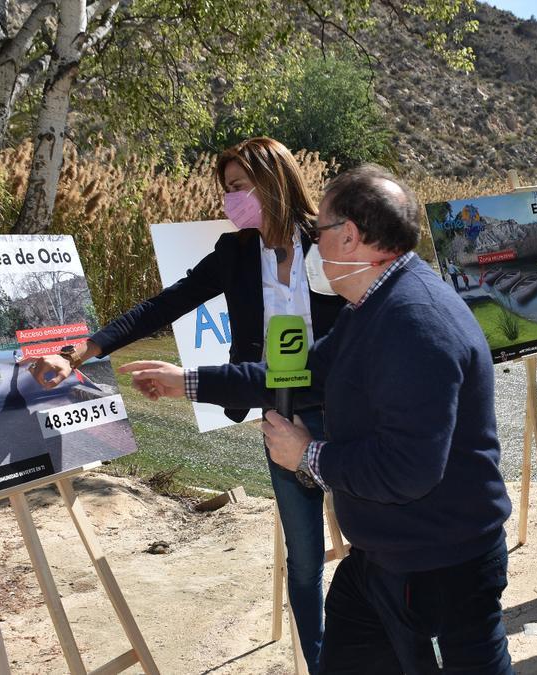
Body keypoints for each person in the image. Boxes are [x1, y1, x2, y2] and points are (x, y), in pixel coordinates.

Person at [120, 164, 514, 674]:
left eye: (320, 230)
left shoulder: (415, 324)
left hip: (439, 567)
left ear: (349, 236)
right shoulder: (370, 304)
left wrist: (306, 455)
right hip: (381, 557)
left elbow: (408, 469)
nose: (312, 243)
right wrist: (189, 382)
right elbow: (300, 374)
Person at [27, 137, 346, 673]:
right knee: (306, 558)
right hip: (280, 417)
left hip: (348, 412)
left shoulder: (332, 241)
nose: (231, 201)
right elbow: (164, 304)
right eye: (227, 191)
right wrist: (81, 352)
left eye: (241, 187)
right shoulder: (235, 254)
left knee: (377, 542)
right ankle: (320, 665)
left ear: (275, 181)